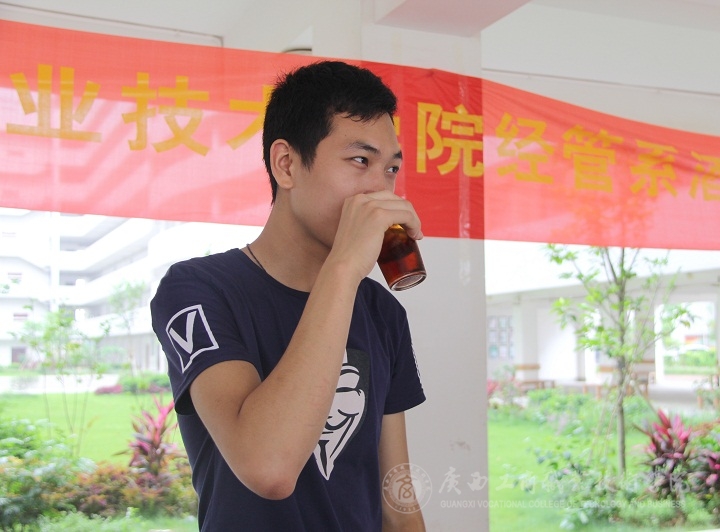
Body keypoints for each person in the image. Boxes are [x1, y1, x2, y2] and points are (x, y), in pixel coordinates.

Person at [150, 60, 427, 531]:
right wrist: (344, 268)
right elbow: (268, 468)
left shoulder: (381, 311)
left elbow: (396, 501)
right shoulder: (197, 290)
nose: (380, 188)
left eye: (391, 169)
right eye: (360, 161)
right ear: (287, 164)